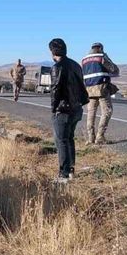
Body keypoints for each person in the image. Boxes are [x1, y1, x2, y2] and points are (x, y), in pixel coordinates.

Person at [49, 39, 89, 183]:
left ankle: (63, 174)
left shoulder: (57, 67)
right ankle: (71, 170)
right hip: (76, 108)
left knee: (61, 141)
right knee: (69, 139)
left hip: (63, 110)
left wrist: (53, 109)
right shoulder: (75, 65)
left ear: (52, 51)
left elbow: (55, 90)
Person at [82, 42, 120, 145]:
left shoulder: (84, 59)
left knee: (91, 113)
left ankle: (90, 138)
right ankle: (100, 136)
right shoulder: (101, 57)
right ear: (100, 48)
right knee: (107, 111)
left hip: (89, 89)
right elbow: (114, 70)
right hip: (101, 87)